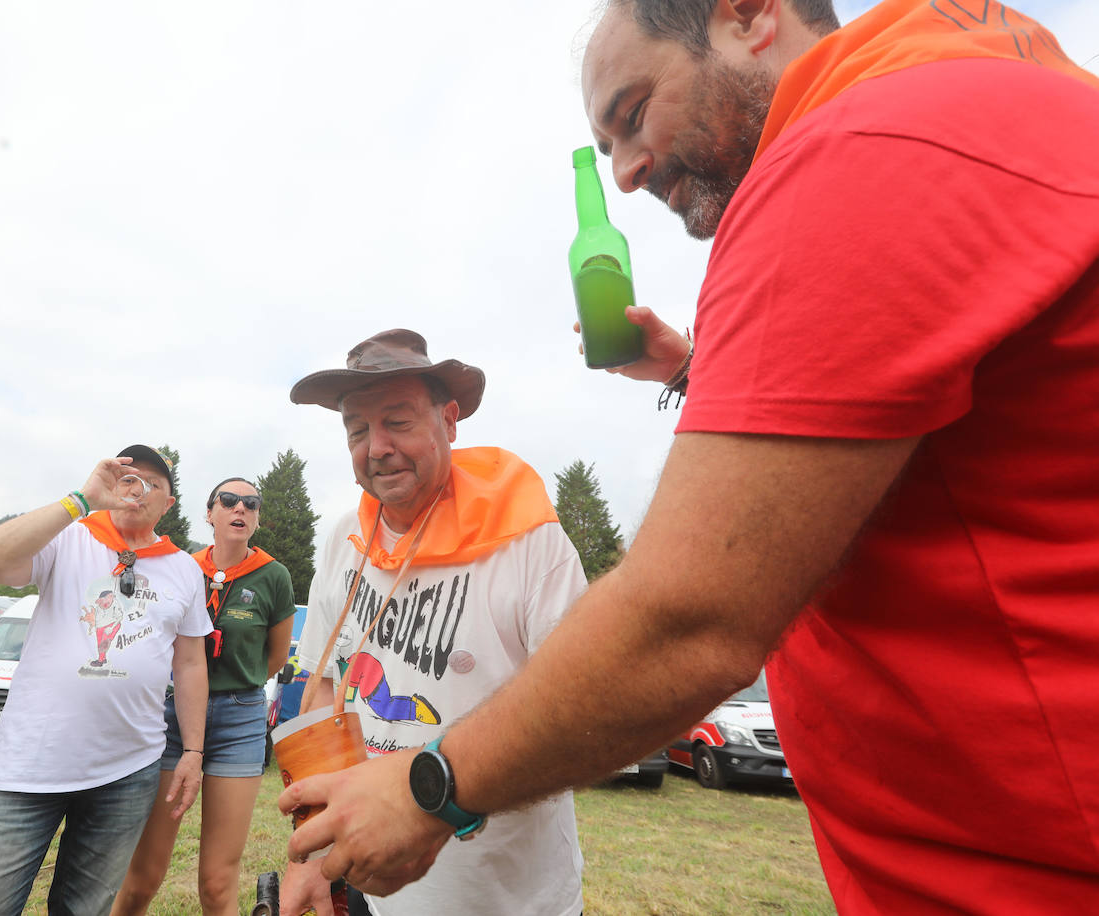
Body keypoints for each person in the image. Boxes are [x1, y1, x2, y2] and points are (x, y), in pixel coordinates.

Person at [278, 1, 1099, 912]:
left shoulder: (858, 147)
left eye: (633, 113)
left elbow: (686, 621)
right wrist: (703, 373)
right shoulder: (965, 97)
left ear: (748, 13)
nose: (624, 174)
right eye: (355, 429)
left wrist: (428, 790)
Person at [280, 329, 590, 916]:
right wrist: (315, 856)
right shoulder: (345, 538)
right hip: (374, 893)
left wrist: (434, 800)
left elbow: (581, 713)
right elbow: (321, 690)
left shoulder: (527, 541)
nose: (376, 448)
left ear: (449, 420)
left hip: (507, 899)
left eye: (397, 422)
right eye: (357, 430)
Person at [0, 445, 213, 916]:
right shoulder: (69, 538)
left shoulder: (185, 569)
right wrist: (80, 499)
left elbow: (191, 663)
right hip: (31, 765)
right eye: (128, 478)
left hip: (128, 770)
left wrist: (193, 750)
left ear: (168, 504)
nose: (138, 490)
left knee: (84, 909)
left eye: (152, 484)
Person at [113, 476, 297, 916]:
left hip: (240, 719)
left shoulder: (274, 576)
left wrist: (230, 685)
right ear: (209, 512)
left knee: (217, 884)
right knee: (142, 876)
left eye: (250, 504)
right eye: (229, 501)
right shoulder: (180, 566)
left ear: (256, 518)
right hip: (172, 718)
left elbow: (273, 659)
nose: (240, 509)